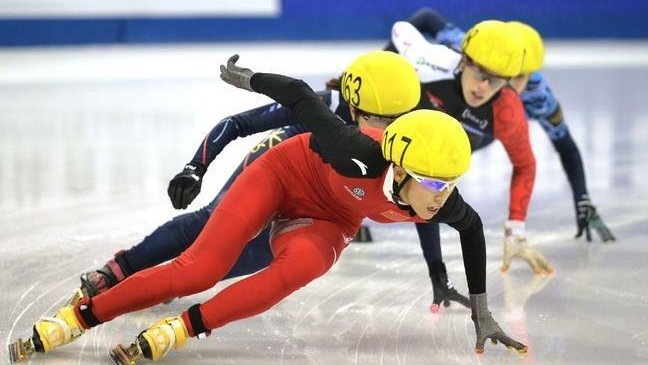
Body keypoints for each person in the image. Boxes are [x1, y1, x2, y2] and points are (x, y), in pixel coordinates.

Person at [8, 52, 527, 365]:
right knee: (201, 265)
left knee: (300, 267)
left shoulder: (440, 199)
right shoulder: (351, 145)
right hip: (283, 173)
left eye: (450, 185)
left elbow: (470, 229)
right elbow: (300, 95)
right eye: (435, 183)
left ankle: (179, 330)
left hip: (328, 217)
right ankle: (81, 315)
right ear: (403, 168)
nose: (442, 195)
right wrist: (246, 78)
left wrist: (481, 311)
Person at [77, 53, 469, 311]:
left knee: (256, 256)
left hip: (321, 204)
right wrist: (196, 166)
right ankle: (119, 269)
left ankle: (160, 283)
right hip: (281, 166)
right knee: (206, 225)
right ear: (351, 107)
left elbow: (415, 209)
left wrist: (437, 272)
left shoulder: (407, 138)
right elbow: (238, 124)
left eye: (396, 122)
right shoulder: (325, 108)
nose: (386, 132)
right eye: (377, 121)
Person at [387, 7, 615, 244]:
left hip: (486, 127)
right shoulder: (468, 51)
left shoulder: (538, 96)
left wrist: (582, 198)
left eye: (517, 77)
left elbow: (565, 146)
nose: (509, 85)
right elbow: (425, 18)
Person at [387, 19, 555, 274]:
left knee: (435, 173)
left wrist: (516, 230)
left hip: (453, 134)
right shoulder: (432, 62)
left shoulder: (507, 112)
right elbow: (401, 29)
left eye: (497, 81)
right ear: (464, 61)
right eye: (480, 74)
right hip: (411, 115)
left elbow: (525, 165)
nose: (483, 87)